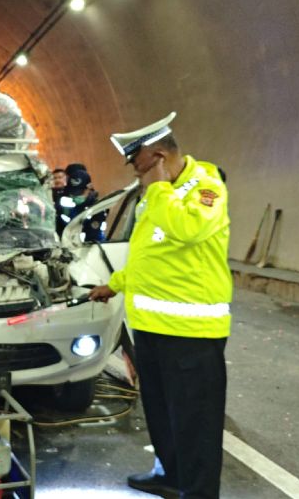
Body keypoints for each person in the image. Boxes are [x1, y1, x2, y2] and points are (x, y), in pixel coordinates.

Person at [89, 112, 231, 499]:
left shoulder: (207, 185)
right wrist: (114, 284)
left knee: (195, 424)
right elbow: (147, 254)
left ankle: (199, 492)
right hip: (152, 330)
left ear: (158, 157)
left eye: (138, 164)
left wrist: (159, 188)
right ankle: (171, 476)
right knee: (163, 415)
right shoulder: (155, 197)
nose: (135, 173)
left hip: (191, 334)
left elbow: (189, 231)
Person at [55, 167, 107, 240]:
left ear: (89, 188)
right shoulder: (64, 205)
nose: (76, 196)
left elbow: (92, 235)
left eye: (80, 193)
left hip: (94, 246)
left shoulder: (97, 208)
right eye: (73, 193)